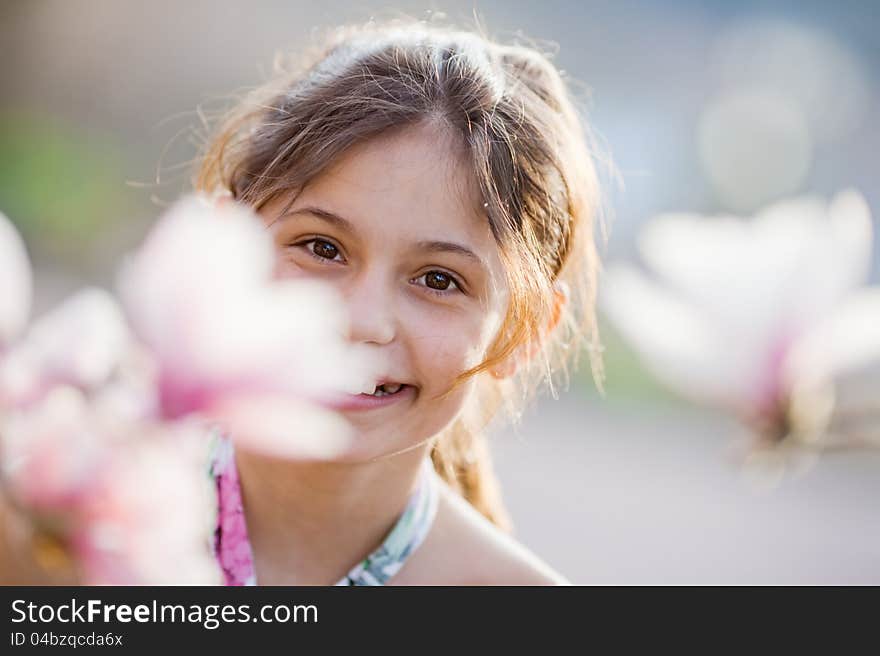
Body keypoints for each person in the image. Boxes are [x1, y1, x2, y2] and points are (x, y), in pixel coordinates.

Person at [195, 19, 605, 586]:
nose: (361, 321)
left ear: (525, 330)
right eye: (322, 247)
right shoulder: (59, 516)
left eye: (438, 280)